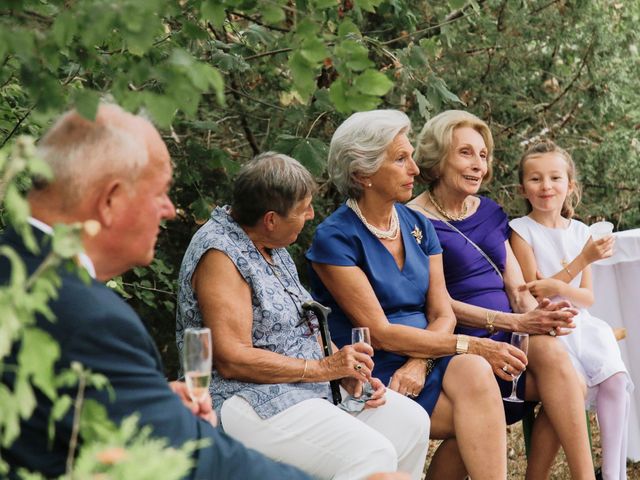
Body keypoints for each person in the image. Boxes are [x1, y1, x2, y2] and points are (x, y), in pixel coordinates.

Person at [0, 103, 312, 479]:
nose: (169, 209)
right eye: (160, 192)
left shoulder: (17, 267)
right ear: (111, 201)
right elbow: (189, 457)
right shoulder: (87, 317)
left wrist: (150, 397)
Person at [175, 152, 430, 480]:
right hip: (243, 398)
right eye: (303, 208)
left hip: (305, 388)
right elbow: (231, 359)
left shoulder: (271, 244)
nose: (311, 215)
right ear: (271, 218)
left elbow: (303, 325)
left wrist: (342, 371)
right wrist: (322, 369)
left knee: (410, 423)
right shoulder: (221, 256)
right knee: (370, 452)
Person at [306, 109, 522, 480]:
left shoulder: (419, 224)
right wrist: (472, 345)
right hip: (372, 371)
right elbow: (380, 330)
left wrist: (420, 363)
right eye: (401, 159)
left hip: (426, 358)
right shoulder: (335, 238)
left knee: (474, 375)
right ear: (363, 174)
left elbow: (444, 314)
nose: (415, 169)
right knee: (476, 417)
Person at [409, 109, 596, 479]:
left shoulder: (491, 211)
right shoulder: (412, 220)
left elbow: (516, 287)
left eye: (483, 155)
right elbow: (433, 302)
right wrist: (515, 320)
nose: (479, 164)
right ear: (437, 157)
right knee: (563, 385)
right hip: (461, 345)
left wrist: (539, 318)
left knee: (565, 371)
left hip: (513, 333)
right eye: (466, 152)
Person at [510, 140, 633, 480]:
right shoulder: (521, 231)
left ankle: (613, 473)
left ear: (570, 186)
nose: (546, 186)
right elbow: (533, 294)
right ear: (523, 187)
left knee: (617, 380)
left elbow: (587, 298)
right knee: (573, 388)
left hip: (582, 322)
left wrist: (557, 286)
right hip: (547, 327)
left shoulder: (581, 232)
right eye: (535, 179)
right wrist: (580, 263)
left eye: (554, 178)